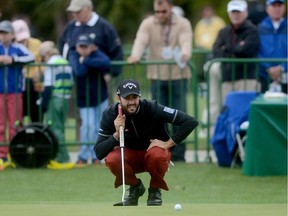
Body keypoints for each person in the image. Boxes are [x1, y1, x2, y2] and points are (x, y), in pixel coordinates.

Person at [94, 79, 198, 206]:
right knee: (112, 159)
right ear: (118, 98)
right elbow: (99, 152)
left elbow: (190, 122)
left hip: (153, 155)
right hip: (131, 157)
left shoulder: (152, 108)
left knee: (158, 154)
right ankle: (135, 187)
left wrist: (167, 144)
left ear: (140, 96)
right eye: (127, 98)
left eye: (135, 97)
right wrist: (116, 134)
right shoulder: (110, 115)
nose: (132, 102)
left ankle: (155, 189)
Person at [127, 0, 193, 162]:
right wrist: (135, 54)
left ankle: (179, 154)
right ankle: (161, 152)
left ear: (170, 8)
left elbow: (186, 40)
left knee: (179, 116)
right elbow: (140, 40)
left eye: (163, 11)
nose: (160, 15)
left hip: (178, 76)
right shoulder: (148, 23)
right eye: (157, 11)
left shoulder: (183, 23)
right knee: (157, 119)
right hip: (156, 76)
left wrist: (185, 52)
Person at [205, 0, 260, 134]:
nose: (236, 15)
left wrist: (227, 49)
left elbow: (247, 50)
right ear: (229, 14)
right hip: (228, 78)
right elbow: (216, 51)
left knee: (245, 114)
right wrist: (236, 48)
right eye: (233, 12)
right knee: (227, 114)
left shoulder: (252, 30)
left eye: (238, 12)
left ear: (245, 13)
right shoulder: (224, 31)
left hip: (247, 78)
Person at [68, 33, 110, 165]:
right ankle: (84, 155)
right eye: (80, 46)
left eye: (85, 46)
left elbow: (106, 63)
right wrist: (89, 64)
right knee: (87, 126)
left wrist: (85, 61)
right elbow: (79, 71)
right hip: (84, 99)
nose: (82, 49)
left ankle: (97, 155)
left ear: (91, 47)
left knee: (99, 127)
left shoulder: (96, 54)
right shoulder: (73, 54)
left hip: (100, 97)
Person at [0, 20, 34, 170]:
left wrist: (12, 60)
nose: (3, 35)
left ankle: (15, 154)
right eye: (1, 33)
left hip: (15, 92)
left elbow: (31, 57)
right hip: (0, 92)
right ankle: (2, 155)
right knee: (1, 125)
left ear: (12, 34)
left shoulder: (18, 48)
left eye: (6, 32)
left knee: (15, 123)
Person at [59, 0, 123, 77]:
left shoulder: (104, 27)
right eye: (73, 12)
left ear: (89, 9)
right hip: (74, 79)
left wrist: (111, 72)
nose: (75, 15)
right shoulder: (71, 27)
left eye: (78, 11)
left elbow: (115, 50)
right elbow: (62, 46)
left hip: (99, 79)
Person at [38, 41, 74, 169]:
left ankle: (63, 158)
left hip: (55, 98)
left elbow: (48, 85)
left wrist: (43, 104)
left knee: (55, 129)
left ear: (46, 54)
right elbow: (71, 82)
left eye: (42, 56)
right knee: (60, 128)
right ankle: (61, 156)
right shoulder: (65, 62)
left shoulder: (51, 64)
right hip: (65, 99)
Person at [12, 19, 43, 122]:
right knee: (16, 116)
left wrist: (40, 71)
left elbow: (43, 61)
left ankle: (36, 135)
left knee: (36, 115)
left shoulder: (37, 44)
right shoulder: (11, 47)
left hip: (35, 87)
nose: (22, 41)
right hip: (17, 87)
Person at [258, 0, 287, 93]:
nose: (277, 9)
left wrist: (283, 67)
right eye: (273, 5)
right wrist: (268, 68)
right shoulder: (260, 28)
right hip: (264, 77)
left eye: (279, 5)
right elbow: (256, 51)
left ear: (284, 7)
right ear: (267, 8)